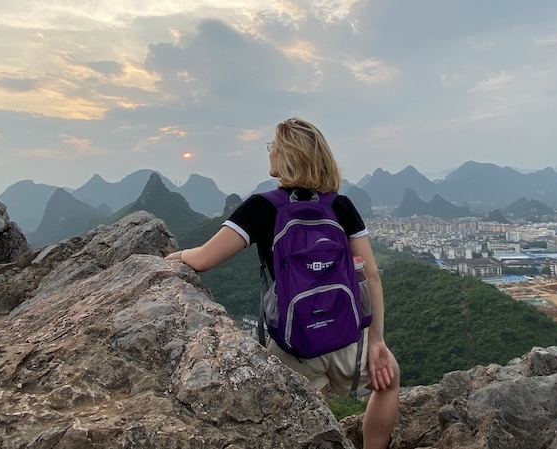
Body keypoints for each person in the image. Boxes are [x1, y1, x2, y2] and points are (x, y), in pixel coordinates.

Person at [166, 117, 399, 449]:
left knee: (316, 420)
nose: (270, 152)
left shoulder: (262, 207)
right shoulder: (340, 206)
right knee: (389, 381)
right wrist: (376, 341)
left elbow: (203, 259)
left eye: (273, 146)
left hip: (294, 343)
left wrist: (168, 259)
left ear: (287, 154)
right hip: (347, 338)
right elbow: (370, 275)